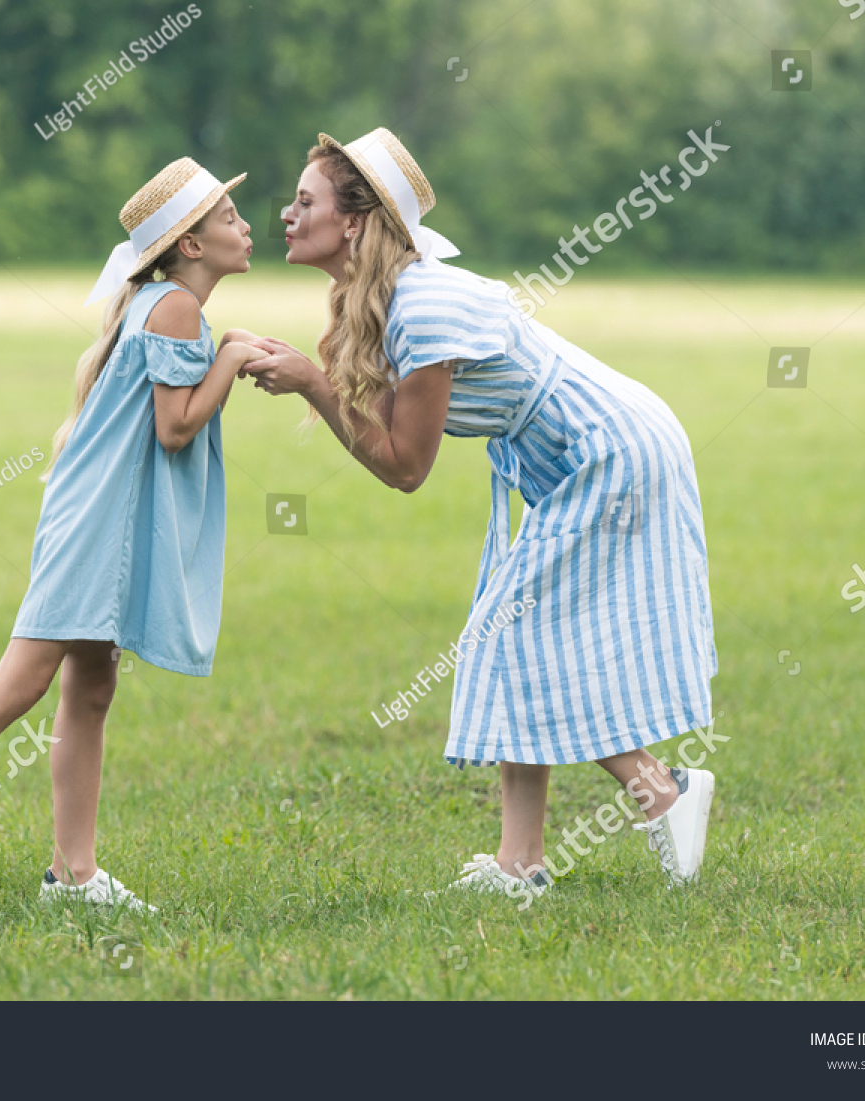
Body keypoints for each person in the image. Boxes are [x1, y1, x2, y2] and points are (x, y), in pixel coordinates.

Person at [243, 128, 718, 896]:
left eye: (304, 202)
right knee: (518, 633)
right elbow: (391, 444)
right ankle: (522, 861)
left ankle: (660, 793)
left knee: (512, 631)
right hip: (572, 455)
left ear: (356, 221)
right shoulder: (391, 297)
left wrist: (313, 383)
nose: (286, 216)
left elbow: (405, 466)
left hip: (611, 448)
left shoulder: (424, 305)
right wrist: (312, 378)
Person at [0, 158, 267, 911]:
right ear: (190, 246)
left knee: (91, 686)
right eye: (228, 217)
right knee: (22, 680)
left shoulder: (159, 303)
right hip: (97, 526)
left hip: (101, 517)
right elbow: (175, 429)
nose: (246, 226)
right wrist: (230, 355)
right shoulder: (175, 312)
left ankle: (73, 874)